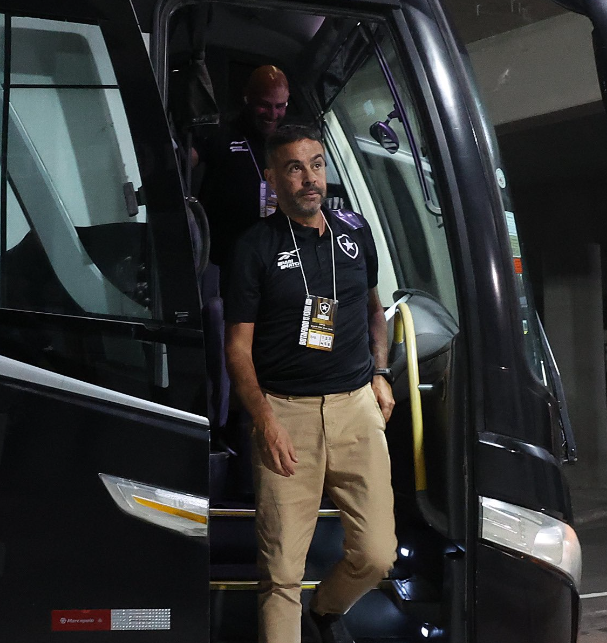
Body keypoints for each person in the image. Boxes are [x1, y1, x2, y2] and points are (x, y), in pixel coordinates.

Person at [224, 124, 397, 643]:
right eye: (294, 168)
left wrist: (381, 373)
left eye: (316, 165)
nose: (309, 178)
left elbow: (374, 313)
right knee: (281, 574)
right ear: (273, 179)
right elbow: (237, 349)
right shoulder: (254, 247)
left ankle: (322, 611)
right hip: (286, 413)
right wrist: (265, 421)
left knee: (377, 554)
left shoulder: (354, 232)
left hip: (355, 408)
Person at [197, 65, 290, 271]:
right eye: (264, 105)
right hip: (223, 257)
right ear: (248, 98)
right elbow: (181, 162)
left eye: (280, 106)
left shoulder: (289, 139)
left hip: (273, 259)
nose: (273, 114)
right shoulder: (222, 132)